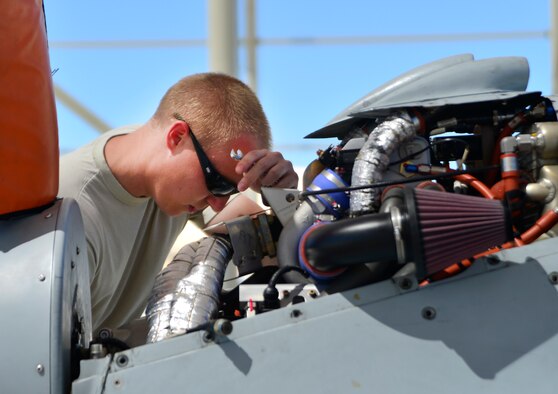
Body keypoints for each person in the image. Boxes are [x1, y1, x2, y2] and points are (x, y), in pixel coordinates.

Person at [59, 72, 298, 335]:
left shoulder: (161, 168)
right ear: (176, 137)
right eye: (218, 183)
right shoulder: (70, 217)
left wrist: (280, 196)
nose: (218, 204)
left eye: (230, 190)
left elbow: (261, 245)